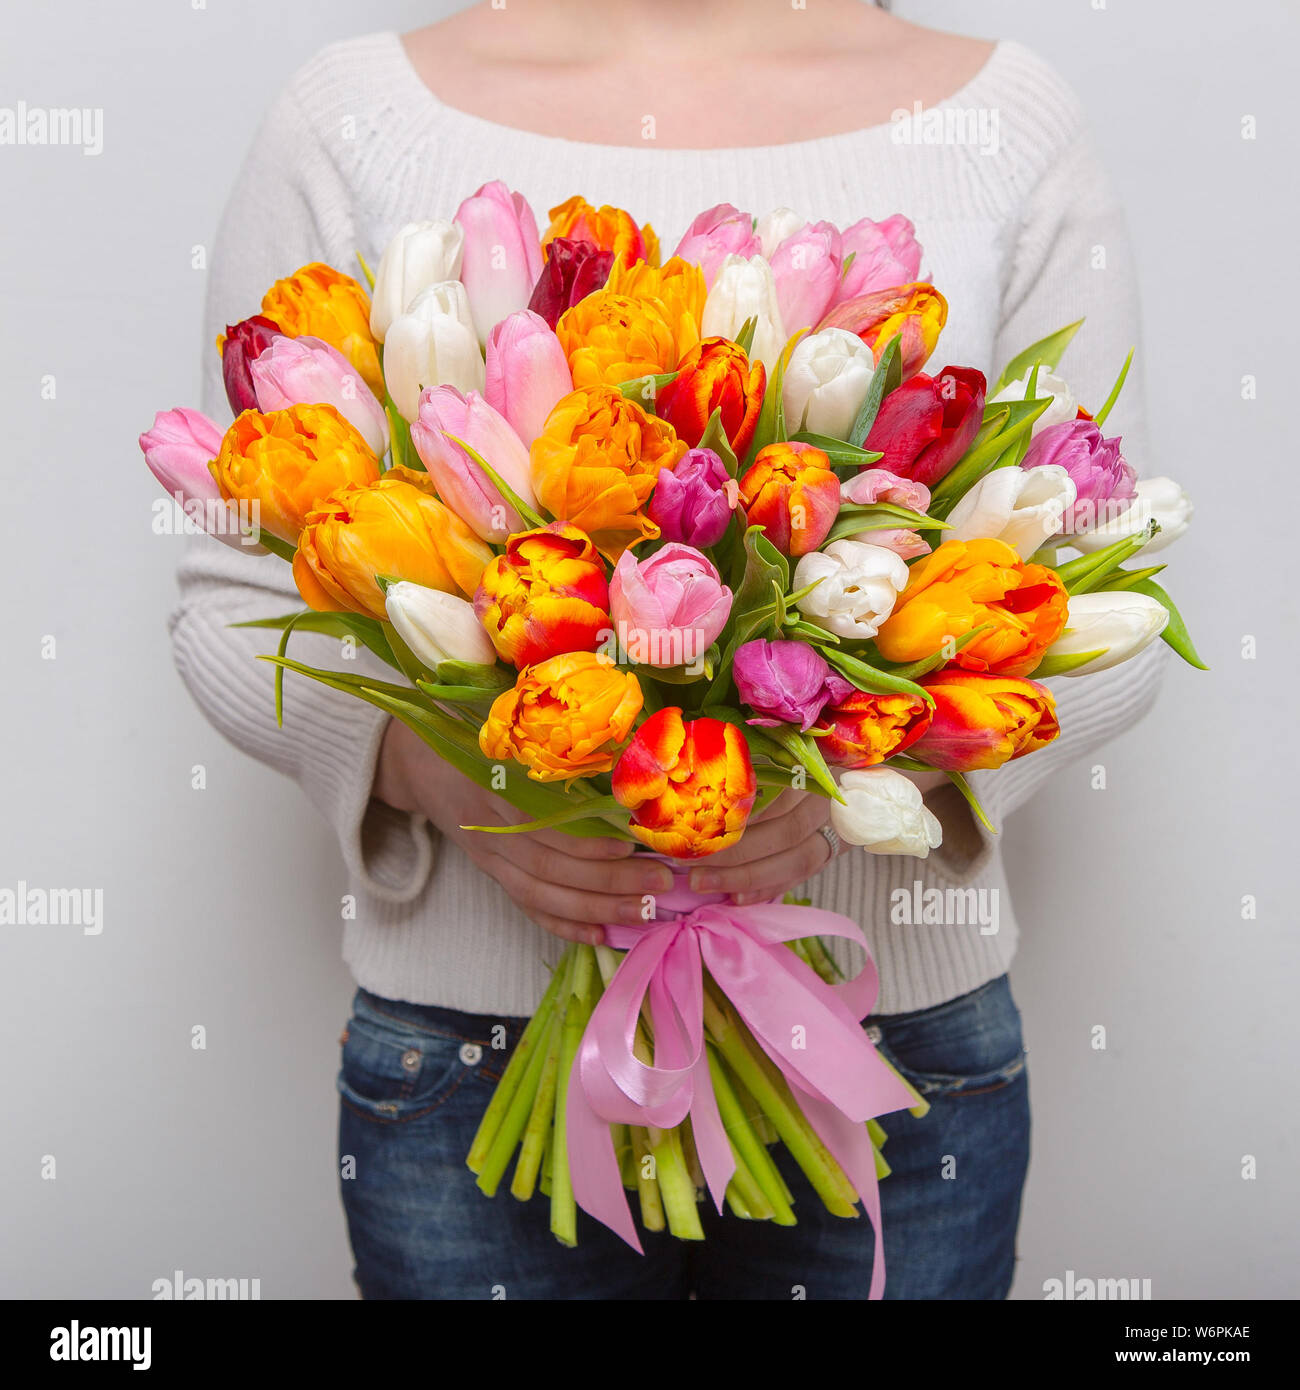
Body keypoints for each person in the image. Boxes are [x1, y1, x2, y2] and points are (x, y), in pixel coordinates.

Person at [172, 0, 1165, 1298]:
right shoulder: (355, 113)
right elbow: (223, 599)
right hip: (471, 1059)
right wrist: (460, 782)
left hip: (894, 1056)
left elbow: (1111, 596)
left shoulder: (1009, 120)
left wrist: (852, 787)